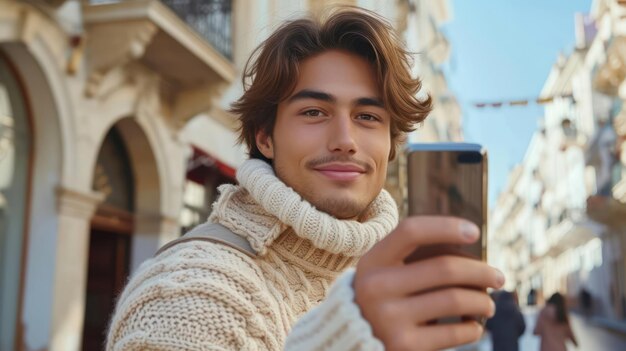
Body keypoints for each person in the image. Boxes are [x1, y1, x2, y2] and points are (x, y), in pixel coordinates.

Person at [106, 7, 504, 351]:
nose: (346, 141)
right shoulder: (190, 293)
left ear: (390, 145)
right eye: (314, 112)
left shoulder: (390, 287)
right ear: (266, 137)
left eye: (367, 117)